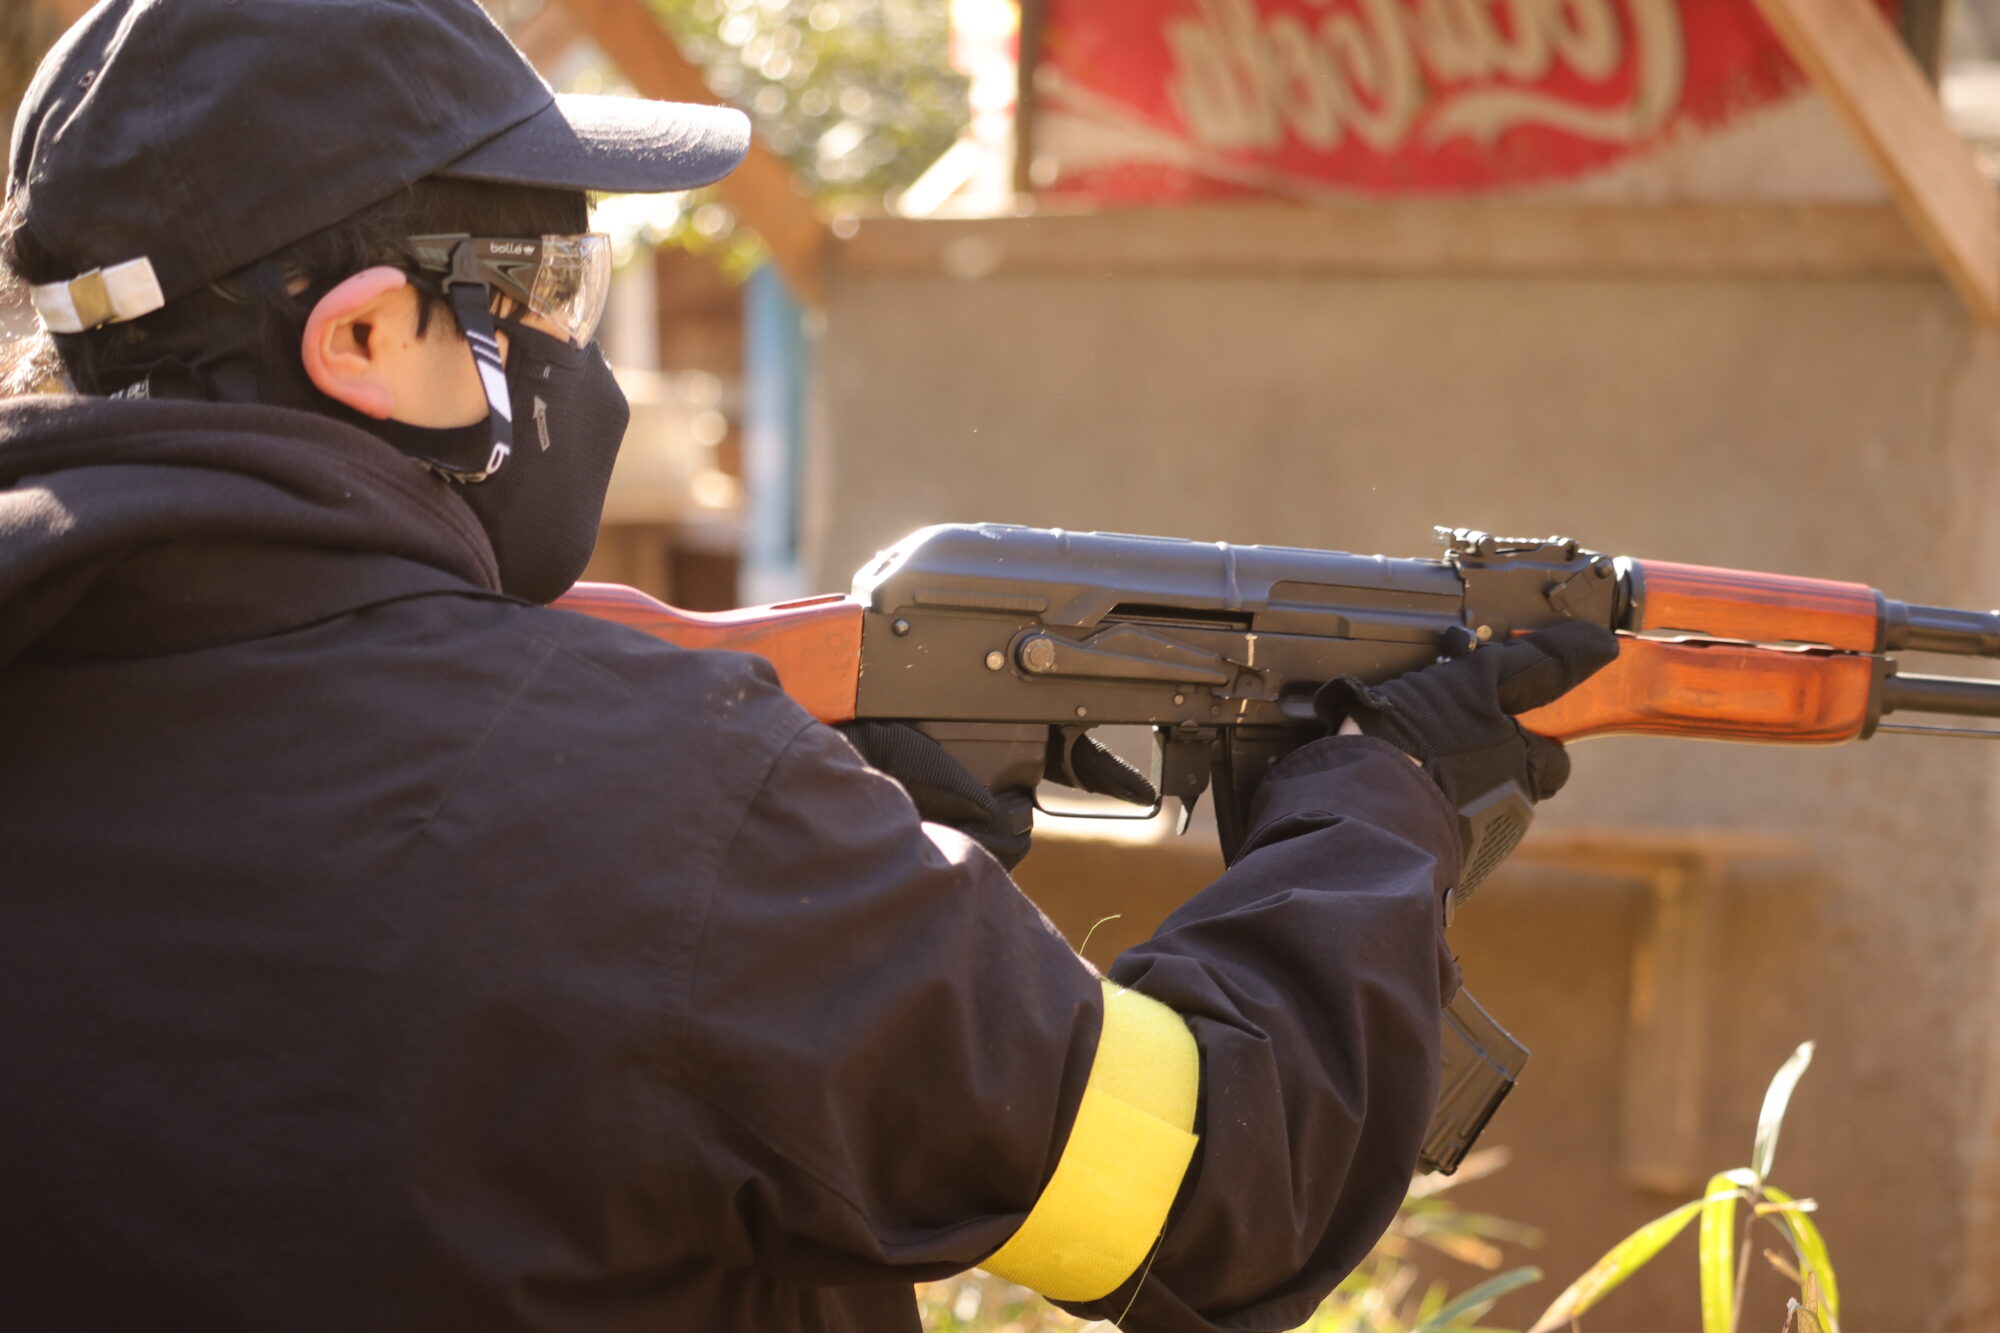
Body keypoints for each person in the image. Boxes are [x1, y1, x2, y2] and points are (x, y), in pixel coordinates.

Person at [0, 2, 1616, 1329]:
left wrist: (836, 888)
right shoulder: (656, 797)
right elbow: (1217, 1192)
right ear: (360, 338)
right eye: (549, 285)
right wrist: (1382, 809)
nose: (575, 340)